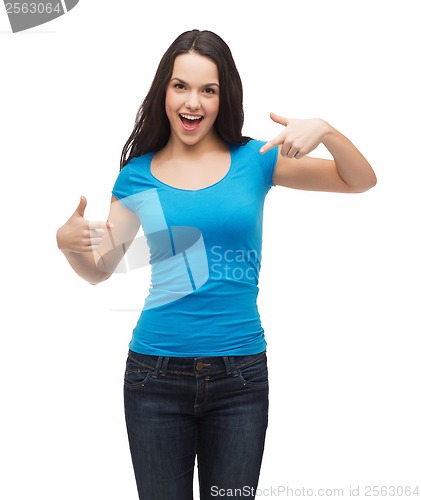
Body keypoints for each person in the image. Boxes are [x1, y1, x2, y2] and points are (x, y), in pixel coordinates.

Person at [56, 29, 376, 500]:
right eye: (181, 86)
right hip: (154, 378)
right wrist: (67, 245)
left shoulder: (257, 160)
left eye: (208, 89)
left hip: (240, 379)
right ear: (163, 90)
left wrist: (326, 130)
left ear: (224, 97)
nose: (194, 102)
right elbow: (101, 268)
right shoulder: (137, 175)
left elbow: (359, 181)